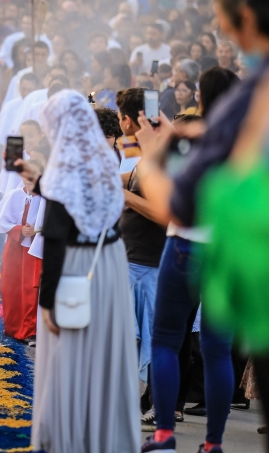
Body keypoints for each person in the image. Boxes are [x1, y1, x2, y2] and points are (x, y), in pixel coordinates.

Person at [137, 66, 241, 453]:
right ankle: (213, 443)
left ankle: (164, 433)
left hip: (184, 244)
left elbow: (171, 195)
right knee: (217, 349)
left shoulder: (188, 138)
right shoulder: (246, 142)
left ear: (203, 96)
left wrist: (156, 144)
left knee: (165, 340)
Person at [30, 89, 139, 453]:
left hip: (76, 268)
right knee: (105, 352)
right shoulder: (109, 161)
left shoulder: (63, 171)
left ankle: (70, 437)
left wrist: (46, 302)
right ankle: (106, 436)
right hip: (108, 265)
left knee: (70, 354)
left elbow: (57, 238)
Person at [115, 87, 169, 393]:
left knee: (144, 339)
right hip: (135, 257)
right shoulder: (148, 152)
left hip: (146, 263)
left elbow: (162, 211)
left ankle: (147, 403)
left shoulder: (156, 154)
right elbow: (134, 180)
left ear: (125, 122)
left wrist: (123, 196)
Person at [0, 164, 43, 344]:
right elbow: (2, 222)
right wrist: (19, 230)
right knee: (10, 286)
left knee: (30, 288)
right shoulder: (14, 195)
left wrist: (36, 230)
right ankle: (12, 327)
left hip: (34, 249)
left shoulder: (45, 200)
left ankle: (29, 330)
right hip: (14, 248)